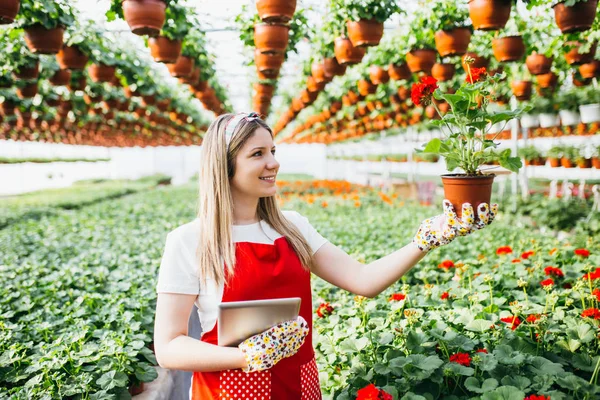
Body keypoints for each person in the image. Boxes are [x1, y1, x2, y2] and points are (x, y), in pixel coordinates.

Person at [153, 112, 497, 400]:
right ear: (224, 166)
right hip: (229, 391)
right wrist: (244, 356)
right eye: (257, 154)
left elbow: (363, 281)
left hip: (299, 387)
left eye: (272, 150)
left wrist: (428, 237)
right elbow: (168, 346)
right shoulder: (190, 240)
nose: (273, 162)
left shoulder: (293, 228)